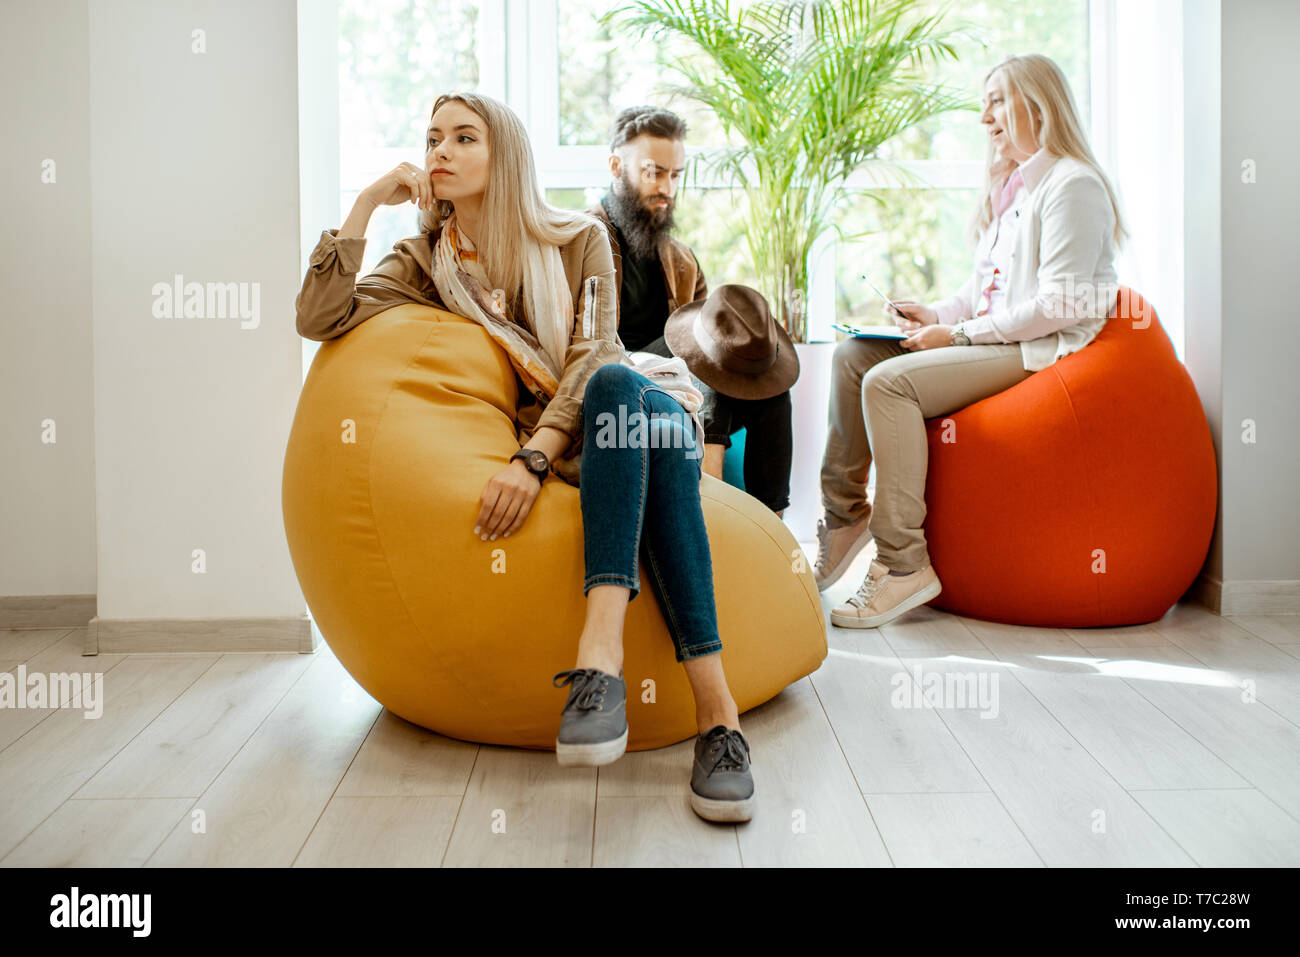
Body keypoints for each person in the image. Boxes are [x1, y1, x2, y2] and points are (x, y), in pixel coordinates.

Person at [295, 92, 756, 822]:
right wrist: (365, 205)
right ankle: (719, 719)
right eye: (432, 138)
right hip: (613, 439)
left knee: (614, 383)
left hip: (625, 411)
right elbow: (319, 317)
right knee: (649, 446)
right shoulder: (424, 261)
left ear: (503, 152)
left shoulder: (578, 238)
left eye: (463, 137)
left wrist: (533, 457)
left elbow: (595, 354)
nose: (439, 152)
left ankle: (599, 660)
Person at [814, 53, 1126, 629]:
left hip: (1038, 351)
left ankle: (903, 564)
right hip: (997, 339)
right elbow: (987, 291)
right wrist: (934, 313)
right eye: (985, 105)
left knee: (888, 384)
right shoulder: (1015, 189)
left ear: (1039, 104)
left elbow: (1057, 306)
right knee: (854, 356)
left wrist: (954, 334)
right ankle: (844, 515)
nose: (986, 119)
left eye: (997, 101)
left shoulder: (1072, 185)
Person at [588, 106, 795, 517]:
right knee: (703, 350)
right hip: (613, 384)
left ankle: (774, 530)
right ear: (616, 166)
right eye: (654, 172)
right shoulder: (579, 240)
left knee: (768, 383)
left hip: (679, 387)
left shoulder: (680, 259)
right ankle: (711, 508)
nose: (667, 187)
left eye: (676, 175)